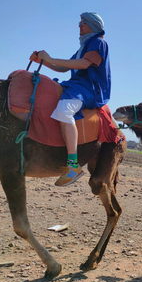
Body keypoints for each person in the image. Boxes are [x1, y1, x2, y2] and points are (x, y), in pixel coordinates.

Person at [29, 12, 111, 186]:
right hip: (74, 85)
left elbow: (83, 64)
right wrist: (42, 61)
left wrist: (49, 58)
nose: (79, 25)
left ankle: (72, 165)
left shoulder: (99, 43)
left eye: (83, 22)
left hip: (89, 89)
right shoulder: (84, 47)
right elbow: (62, 67)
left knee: (65, 111)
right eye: (79, 22)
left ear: (93, 26)